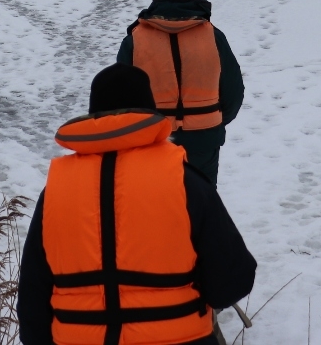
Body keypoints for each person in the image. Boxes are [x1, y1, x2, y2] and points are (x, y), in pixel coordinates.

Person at [17, 64, 256, 345]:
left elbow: (33, 297)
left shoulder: (56, 189)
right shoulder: (183, 180)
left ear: (93, 113)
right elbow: (232, 280)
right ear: (150, 109)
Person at [116, 0, 243, 186]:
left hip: (152, 138)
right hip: (204, 138)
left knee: (157, 203)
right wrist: (214, 123)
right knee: (201, 204)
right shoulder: (212, 35)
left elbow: (120, 97)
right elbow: (233, 90)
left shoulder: (135, 40)